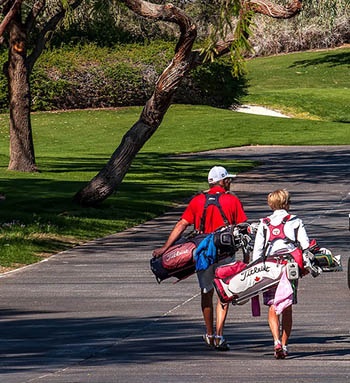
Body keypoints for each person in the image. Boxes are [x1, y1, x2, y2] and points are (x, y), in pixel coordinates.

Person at [153, 166, 247, 351]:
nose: (230, 182)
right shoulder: (231, 200)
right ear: (222, 181)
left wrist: (165, 248)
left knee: (206, 292)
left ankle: (209, 333)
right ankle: (220, 335)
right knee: (224, 293)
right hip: (225, 253)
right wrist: (247, 256)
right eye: (228, 179)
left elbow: (182, 224)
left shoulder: (197, 201)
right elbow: (242, 228)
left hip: (203, 253)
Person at [252, 188, 310, 359]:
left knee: (272, 305)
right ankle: (284, 345)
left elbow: (257, 252)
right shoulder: (295, 221)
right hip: (289, 266)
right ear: (286, 203)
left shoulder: (264, 223)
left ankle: (276, 341)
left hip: (270, 267)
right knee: (287, 305)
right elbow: (305, 246)